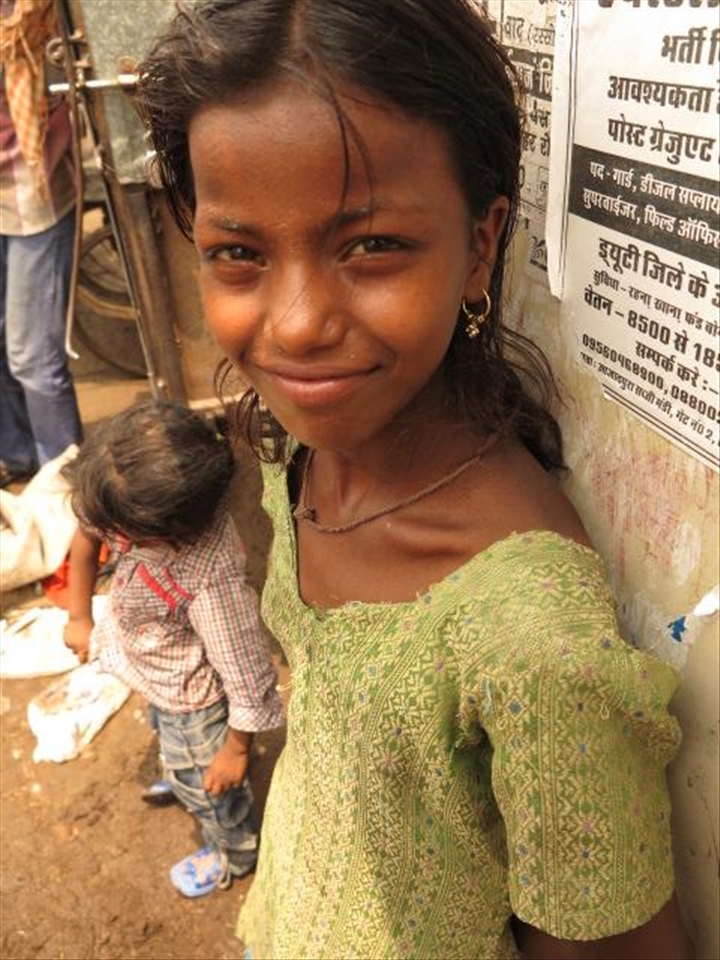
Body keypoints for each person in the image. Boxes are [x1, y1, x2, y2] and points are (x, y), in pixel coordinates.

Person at [136, 1, 694, 957]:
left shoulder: (528, 641)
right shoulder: (303, 457)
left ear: (480, 247)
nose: (300, 322)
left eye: (372, 246)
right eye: (239, 254)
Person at [62, 400, 284, 898]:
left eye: (117, 532)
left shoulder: (211, 583)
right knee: (169, 740)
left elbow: (247, 675)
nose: (105, 534)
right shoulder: (123, 503)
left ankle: (235, 848)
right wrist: (78, 615)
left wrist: (235, 750)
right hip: (158, 675)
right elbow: (84, 534)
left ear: (168, 535)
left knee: (208, 785)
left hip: (194, 702)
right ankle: (183, 771)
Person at [0, 0, 83, 487]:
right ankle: (18, 455)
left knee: (31, 357)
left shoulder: (29, 17)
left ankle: (65, 485)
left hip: (31, 196)